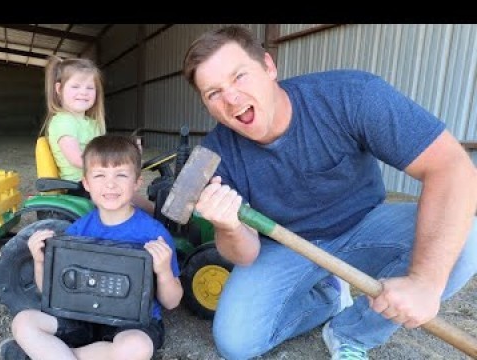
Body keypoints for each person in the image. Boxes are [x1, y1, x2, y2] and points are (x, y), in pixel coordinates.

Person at [182, 25, 477, 360]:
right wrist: (229, 226)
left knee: (466, 242)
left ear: (268, 66)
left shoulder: (349, 95)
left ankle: (351, 332)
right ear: (207, 106)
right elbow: (244, 255)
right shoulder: (215, 156)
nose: (231, 98)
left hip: (366, 226)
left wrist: (425, 282)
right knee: (236, 343)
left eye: (239, 77)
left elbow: (454, 168)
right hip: (283, 246)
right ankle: (327, 298)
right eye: (213, 93)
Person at [0, 134, 183, 360]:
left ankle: (45, 355)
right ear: (86, 183)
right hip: (79, 317)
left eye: (121, 175)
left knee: (138, 347)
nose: (110, 184)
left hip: (132, 324)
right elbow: (48, 292)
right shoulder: (77, 230)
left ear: (137, 183)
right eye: (99, 175)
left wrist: (164, 270)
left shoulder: (154, 234)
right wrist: (39, 260)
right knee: (23, 321)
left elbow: (172, 302)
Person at [39, 55, 155, 213]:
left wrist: (129, 152)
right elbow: (77, 159)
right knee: (136, 208)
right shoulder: (63, 122)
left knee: (146, 206)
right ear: (59, 89)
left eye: (89, 88)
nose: (83, 92)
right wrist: (116, 161)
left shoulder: (91, 123)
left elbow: (104, 151)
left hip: (98, 179)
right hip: (80, 186)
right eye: (76, 87)